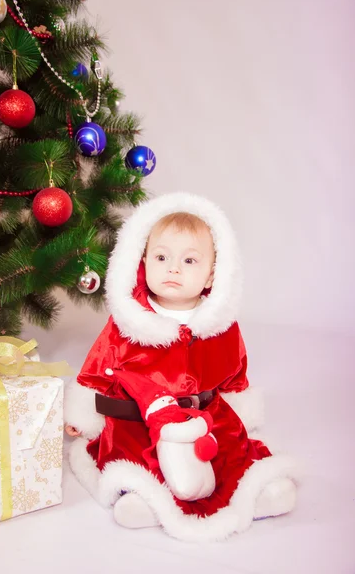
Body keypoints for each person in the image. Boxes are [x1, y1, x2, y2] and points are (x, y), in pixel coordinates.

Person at [64, 192, 299, 542]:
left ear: (210, 277)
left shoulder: (219, 325)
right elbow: (97, 367)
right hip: (140, 421)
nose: (173, 268)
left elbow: (235, 374)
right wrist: (81, 417)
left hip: (206, 417)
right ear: (142, 264)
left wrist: (241, 412)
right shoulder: (129, 322)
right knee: (140, 458)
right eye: (161, 257)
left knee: (228, 454)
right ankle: (146, 496)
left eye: (190, 261)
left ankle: (254, 493)